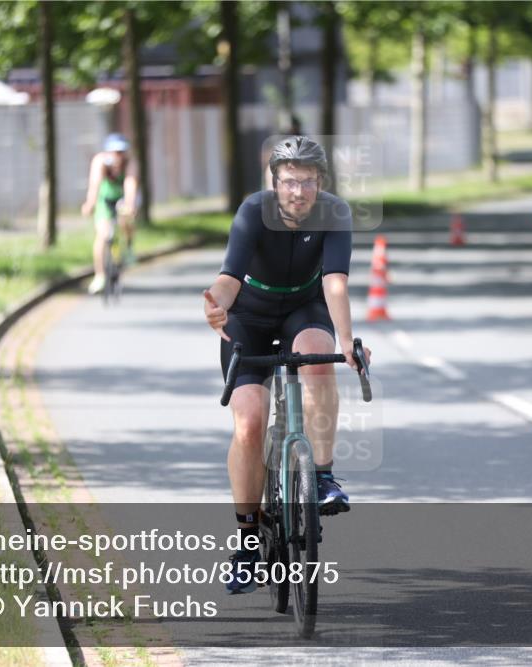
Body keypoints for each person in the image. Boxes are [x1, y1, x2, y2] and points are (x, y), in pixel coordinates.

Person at [202, 135, 370, 594]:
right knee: (250, 424)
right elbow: (229, 279)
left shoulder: (335, 213)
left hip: (304, 308)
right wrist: (215, 305)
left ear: (321, 182)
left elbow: (335, 283)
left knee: (319, 358)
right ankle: (248, 544)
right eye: (290, 181)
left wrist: (349, 340)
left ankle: (322, 475)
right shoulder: (253, 211)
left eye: (308, 182)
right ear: (274, 182)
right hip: (248, 316)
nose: (299, 191)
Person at [81, 133, 138, 295]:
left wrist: (130, 203)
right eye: (115, 152)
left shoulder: (130, 163)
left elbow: (130, 183)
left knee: (127, 219)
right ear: (108, 152)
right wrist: (90, 203)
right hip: (104, 200)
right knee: (103, 235)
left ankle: (128, 246)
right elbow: (95, 184)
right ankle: (100, 275)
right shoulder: (100, 162)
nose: (118, 156)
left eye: (121, 152)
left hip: (121, 198)